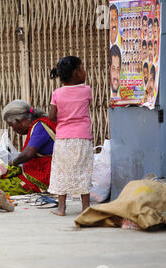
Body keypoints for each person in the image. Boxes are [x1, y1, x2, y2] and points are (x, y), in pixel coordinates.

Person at [0, 100, 56, 196]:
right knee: (7, 169)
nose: (13, 130)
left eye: (12, 126)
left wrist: (12, 162)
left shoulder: (40, 127)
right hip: (37, 171)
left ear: (18, 121)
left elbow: (28, 154)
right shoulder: (42, 124)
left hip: (41, 178)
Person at [48, 56, 94, 216]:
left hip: (63, 139)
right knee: (84, 171)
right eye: (82, 68)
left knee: (61, 171)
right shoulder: (86, 90)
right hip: (82, 138)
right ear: (76, 73)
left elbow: (52, 116)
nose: (84, 72)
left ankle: (61, 208)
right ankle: (86, 207)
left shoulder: (57, 93)